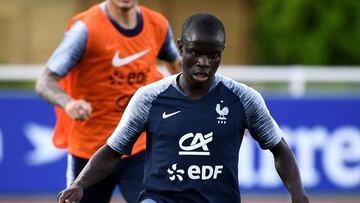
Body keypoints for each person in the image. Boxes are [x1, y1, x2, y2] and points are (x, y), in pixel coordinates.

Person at [56, 13, 309, 203]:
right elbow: (112, 151)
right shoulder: (149, 98)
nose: (204, 63)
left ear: (222, 52)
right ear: (180, 47)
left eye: (213, 55)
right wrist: (80, 184)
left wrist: (298, 193)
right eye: (196, 53)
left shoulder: (244, 98)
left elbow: (279, 149)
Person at [35, 0, 181, 202]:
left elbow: (178, 68)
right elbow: (45, 82)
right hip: (90, 153)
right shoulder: (86, 29)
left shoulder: (157, 24)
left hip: (139, 147)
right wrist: (69, 103)